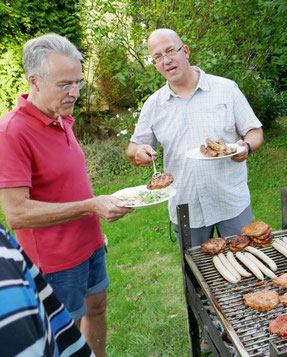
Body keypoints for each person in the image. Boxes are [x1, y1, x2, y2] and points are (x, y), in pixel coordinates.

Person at [0, 34, 132, 356]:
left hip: (90, 244)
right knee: (64, 334)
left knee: (97, 307)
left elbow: (67, 183)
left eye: (78, 83)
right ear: (35, 81)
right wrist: (91, 206)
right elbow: (16, 213)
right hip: (55, 261)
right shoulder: (11, 132)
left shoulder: (61, 116)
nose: (74, 92)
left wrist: (94, 225)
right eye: (65, 84)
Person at [126, 29, 264, 246]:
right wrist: (138, 152)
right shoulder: (154, 105)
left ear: (186, 51)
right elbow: (133, 148)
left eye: (171, 51)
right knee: (195, 275)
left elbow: (255, 131)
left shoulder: (226, 89)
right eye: (158, 57)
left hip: (231, 201)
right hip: (186, 207)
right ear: (155, 64)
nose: (167, 60)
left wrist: (246, 145)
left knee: (245, 267)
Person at [0, 222, 94, 356]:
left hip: (86, 244)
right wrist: (90, 207)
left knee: (92, 311)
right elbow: (16, 216)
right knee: (71, 322)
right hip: (57, 261)